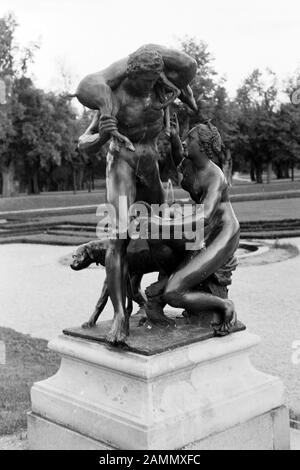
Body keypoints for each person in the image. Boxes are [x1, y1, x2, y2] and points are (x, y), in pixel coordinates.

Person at [76, 45, 197, 343]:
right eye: (143, 82)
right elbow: (83, 143)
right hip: (121, 164)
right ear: (131, 74)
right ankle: (120, 315)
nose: (148, 89)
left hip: (150, 166)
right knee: (118, 238)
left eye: (153, 81)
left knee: (163, 233)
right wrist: (104, 134)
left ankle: (159, 300)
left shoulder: (160, 92)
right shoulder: (114, 97)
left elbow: (187, 70)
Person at [144, 114, 240, 335]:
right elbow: (180, 158)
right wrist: (176, 139)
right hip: (203, 229)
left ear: (204, 148)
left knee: (173, 293)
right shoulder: (190, 162)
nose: (186, 142)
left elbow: (205, 215)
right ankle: (169, 280)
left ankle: (224, 305)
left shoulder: (215, 177)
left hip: (221, 233)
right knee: (156, 237)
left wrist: (162, 224)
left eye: (190, 139)